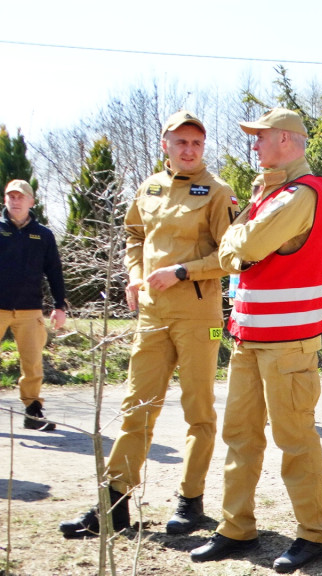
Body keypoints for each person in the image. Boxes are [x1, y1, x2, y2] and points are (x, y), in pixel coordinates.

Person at [59, 111, 237, 538]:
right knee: (136, 407)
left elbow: (230, 257)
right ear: (166, 146)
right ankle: (114, 504)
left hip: (200, 317)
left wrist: (181, 272)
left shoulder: (218, 192)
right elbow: (135, 236)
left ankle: (191, 501)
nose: (189, 150)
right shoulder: (150, 187)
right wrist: (134, 276)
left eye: (196, 143)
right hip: (153, 314)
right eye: (181, 142)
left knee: (199, 411)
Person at [190, 108, 322, 574]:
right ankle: (236, 528)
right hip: (248, 337)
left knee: (295, 440)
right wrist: (240, 241)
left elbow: (244, 249)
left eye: (261, 137)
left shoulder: (301, 194)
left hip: (288, 343)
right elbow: (232, 251)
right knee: (240, 437)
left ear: (286, 140)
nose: (254, 145)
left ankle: (313, 534)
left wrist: (238, 242)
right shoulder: (270, 193)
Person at [1, 179, 66, 431]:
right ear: (5, 199)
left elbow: (54, 272)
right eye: (11, 196)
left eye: (21, 197)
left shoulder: (44, 235)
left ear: (31, 201)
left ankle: (33, 412)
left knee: (33, 364)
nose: (15, 201)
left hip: (30, 310)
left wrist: (59, 306)